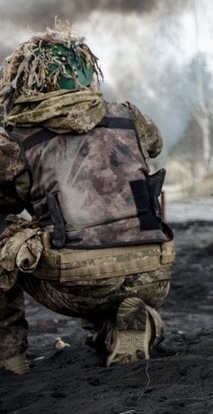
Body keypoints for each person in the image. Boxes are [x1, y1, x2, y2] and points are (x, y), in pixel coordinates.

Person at [0, 29, 174, 373]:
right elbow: (154, 143)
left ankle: (10, 358)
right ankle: (129, 325)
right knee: (105, 255)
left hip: (79, 280)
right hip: (153, 269)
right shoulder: (127, 115)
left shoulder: (16, 136)